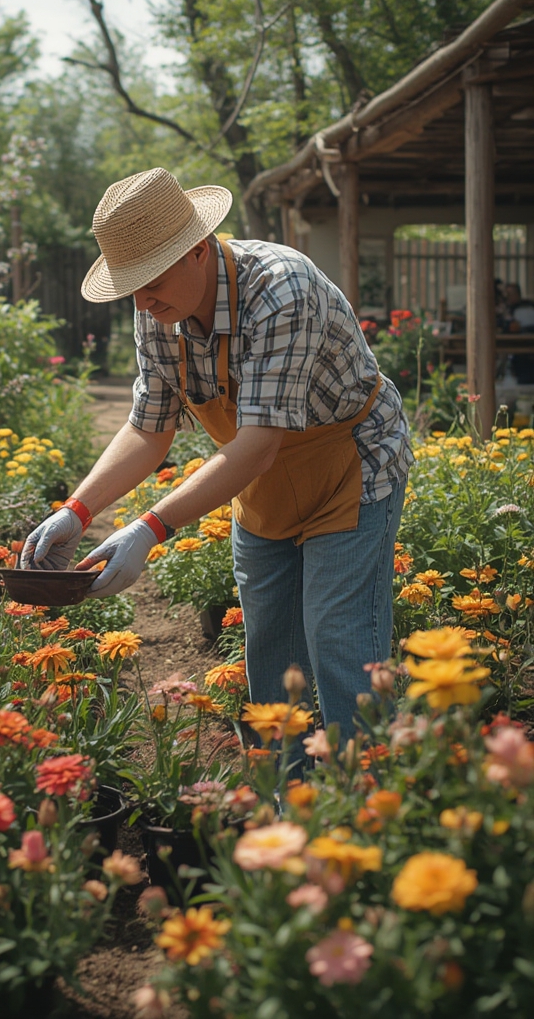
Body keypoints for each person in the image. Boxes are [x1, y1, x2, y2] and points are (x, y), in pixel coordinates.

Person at [21, 167, 413, 750]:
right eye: (130, 285)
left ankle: (360, 811)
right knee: (273, 654)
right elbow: (149, 428)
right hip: (261, 482)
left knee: (338, 644)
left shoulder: (282, 289)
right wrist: (78, 510)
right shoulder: (158, 308)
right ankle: (288, 808)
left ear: (198, 251)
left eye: (149, 278)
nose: (141, 298)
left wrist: (148, 529)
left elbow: (255, 447)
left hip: (350, 469)